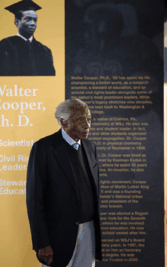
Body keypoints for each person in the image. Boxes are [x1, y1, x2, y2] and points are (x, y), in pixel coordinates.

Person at [26, 99, 102, 267]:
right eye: (81, 119)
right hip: (57, 236)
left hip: (88, 231)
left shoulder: (91, 147)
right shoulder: (43, 148)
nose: (87, 125)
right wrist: (42, 243)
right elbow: (34, 199)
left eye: (89, 119)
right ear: (63, 121)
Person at [0, 0, 56, 76]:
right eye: (28, 19)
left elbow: (50, 79)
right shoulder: (5, 45)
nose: (33, 24)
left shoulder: (44, 50)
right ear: (17, 22)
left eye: (35, 20)